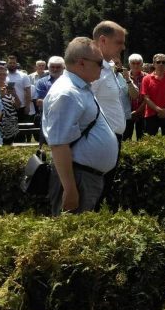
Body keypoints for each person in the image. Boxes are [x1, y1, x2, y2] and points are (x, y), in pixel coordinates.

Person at [41, 37, 118, 215]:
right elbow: (59, 145)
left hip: (84, 176)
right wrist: (70, 189)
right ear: (82, 63)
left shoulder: (80, 88)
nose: (103, 66)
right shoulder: (67, 93)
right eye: (100, 62)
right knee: (70, 236)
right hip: (77, 178)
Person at [91, 21, 133, 144]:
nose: (123, 47)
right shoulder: (93, 71)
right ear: (103, 40)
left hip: (111, 138)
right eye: (119, 42)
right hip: (101, 140)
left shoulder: (109, 67)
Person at [140, 53, 165, 136]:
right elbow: (146, 97)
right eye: (158, 62)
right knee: (150, 141)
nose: (161, 64)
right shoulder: (146, 79)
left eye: (163, 62)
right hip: (151, 114)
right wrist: (159, 110)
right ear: (154, 64)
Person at [0, 63, 20, 145]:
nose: (3, 76)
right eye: (0, 74)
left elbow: (18, 106)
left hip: (11, 128)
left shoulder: (8, 88)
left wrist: (15, 94)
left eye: (5, 74)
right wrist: (1, 96)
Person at [124, 54, 146, 141]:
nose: (136, 65)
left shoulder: (147, 77)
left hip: (143, 113)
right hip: (127, 112)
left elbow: (148, 97)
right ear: (129, 64)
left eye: (138, 63)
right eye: (133, 63)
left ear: (142, 64)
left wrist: (138, 111)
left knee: (142, 139)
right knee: (126, 138)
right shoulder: (123, 77)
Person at [5, 54, 31, 122]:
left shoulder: (23, 76)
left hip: (21, 107)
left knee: (20, 129)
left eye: (14, 63)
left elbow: (28, 91)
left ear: (16, 64)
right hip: (6, 107)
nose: (12, 64)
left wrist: (27, 106)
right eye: (10, 63)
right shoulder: (3, 75)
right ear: (7, 63)